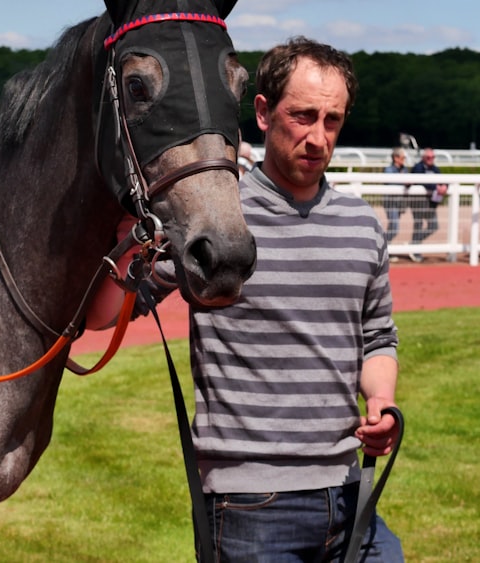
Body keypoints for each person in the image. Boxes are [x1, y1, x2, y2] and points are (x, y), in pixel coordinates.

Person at [141, 36, 403, 562]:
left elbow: (377, 337)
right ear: (262, 112)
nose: (318, 136)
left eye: (332, 120)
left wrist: (382, 403)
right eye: (303, 116)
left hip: (350, 491)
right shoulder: (216, 218)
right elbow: (112, 309)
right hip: (248, 503)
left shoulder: (362, 226)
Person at [408, 147, 447, 262]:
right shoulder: (418, 167)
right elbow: (422, 180)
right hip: (418, 202)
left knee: (434, 226)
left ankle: (414, 244)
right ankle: (415, 251)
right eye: (428, 157)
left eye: (432, 157)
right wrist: (436, 187)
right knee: (418, 225)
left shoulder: (435, 169)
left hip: (430, 203)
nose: (431, 159)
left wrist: (444, 186)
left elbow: (443, 180)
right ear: (423, 158)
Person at [383, 147, 409, 254]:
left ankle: (386, 249)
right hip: (390, 202)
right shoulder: (388, 169)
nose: (404, 160)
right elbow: (391, 182)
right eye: (403, 157)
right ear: (395, 158)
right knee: (395, 227)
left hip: (399, 203)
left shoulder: (404, 169)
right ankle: (383, 247)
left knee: (392, 227)